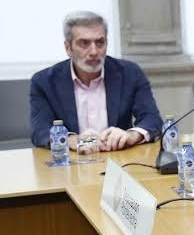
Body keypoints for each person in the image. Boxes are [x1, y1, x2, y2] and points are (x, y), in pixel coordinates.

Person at [29, 11, 162, 151]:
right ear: (68, 48)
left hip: (119, 159)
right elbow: (40, 131)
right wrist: (72, 140)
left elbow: (152, 119)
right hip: (72, 162)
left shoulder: (130, 73)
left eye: (99, 42)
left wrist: (132, 135)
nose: (94, 51)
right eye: (84, 43)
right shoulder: (44, 82)